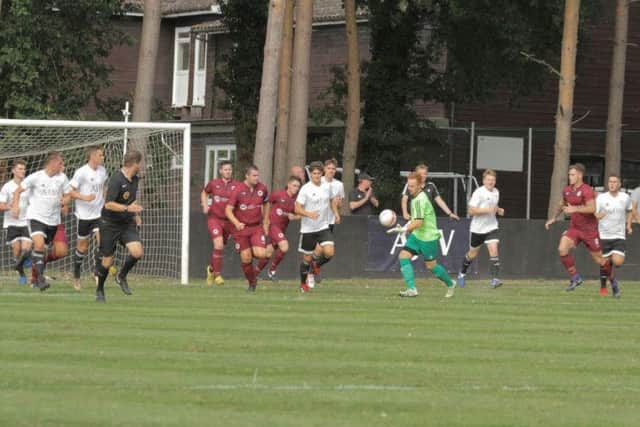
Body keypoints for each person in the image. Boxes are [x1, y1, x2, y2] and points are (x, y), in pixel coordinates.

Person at [545, 163, 613, 292]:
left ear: (580, 175)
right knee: (562, 249)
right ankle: (576, 277)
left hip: (589, 230)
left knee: (600, 260)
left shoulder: (587, 190)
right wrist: (554, 217)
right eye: (569, 174)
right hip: (574, 228)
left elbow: (592, 208)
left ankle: (610, 278)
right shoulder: (567, 190)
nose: (570, 177)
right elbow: (562, 204)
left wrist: (574, 209)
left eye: (572, 175)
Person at [388, 172, 456, 298]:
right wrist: (405, 228)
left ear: (420, 185)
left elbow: (419, 222)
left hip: (428, 237)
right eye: (408, 186)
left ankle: (450, 283)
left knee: (431, 266)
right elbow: (416, 220)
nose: (410, 188)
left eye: (412, 186)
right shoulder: (416, 198)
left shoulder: (420, 199)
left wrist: (404, 230)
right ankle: (411, 289)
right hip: (417, 235)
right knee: (403, 256)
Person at [12, 152, 71, 291]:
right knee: (39, 246)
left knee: (42, 250)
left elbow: (68, 194)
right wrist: (15, 206)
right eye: (60, 163)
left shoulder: (62, 178)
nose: (62, 166)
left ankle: (21, 263)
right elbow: (17, 191)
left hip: (53, 220)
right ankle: (40, 279)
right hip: (36, 217)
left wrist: (66, 201)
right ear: (52, 163)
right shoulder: (36, 177)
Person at [94, 150, 144, 303]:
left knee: (137, 252)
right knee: (107, 261)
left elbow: (131, 202)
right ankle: (100, 289)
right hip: (109, 224)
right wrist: (128, 209)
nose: (141, 166)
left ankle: (121, 276)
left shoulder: (135, 179)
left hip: (126, 223)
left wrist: (135, 215)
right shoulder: (116, 179)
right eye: (140, 163)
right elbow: (108, 204)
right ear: (134, 163)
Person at [295, 161, 340, 292]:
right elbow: (297, 208)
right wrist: (308, 213)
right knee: (306, 259)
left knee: (329, 252)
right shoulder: (306, 189)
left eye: (318, 173)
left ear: (322, 174)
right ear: (311, 174)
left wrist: (336, 213)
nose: (316, 176)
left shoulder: (327, 186)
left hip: (323, 226)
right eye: (314, 173)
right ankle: (303, 284)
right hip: (308, 229)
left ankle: (315, 266)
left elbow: (331, 200)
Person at [456, 169, 504, 289]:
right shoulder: (478, 192)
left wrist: (498, 210)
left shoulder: (496, 192)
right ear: (484, 181)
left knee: (494, 250)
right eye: (488, 180)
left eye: (493, 180)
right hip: (477, 229)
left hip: (492, 227)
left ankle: (494, 279)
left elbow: (493, 206)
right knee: (472, 254)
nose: (491, 182)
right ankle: (461, 274)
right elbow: (471, 211)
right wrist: (487, 210)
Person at [68, 146, 108, 291]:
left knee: (103, 243)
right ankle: (77, 276)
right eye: (100, 155)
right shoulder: (81, 172)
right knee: (82, 248)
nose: (102, 157)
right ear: (92, 156)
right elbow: (70, 191)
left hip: (99, 213)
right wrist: (84, 197)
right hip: (84, 216)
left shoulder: (103, 171)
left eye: (102, 155)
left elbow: (103, 188)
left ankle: (97, 273)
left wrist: (106, 202)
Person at [225, 165, 269, 292]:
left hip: (256, 227)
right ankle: (252, 282)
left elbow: (266, 203)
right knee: (246, 257)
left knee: (262, 254)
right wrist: (236, 222)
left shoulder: (262, 188)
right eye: (254, 175)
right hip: (241, 229)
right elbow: (228, 210)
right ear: (247, 176)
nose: (257, 178)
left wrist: (266, 220)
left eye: (257, 175)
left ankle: (253, 274)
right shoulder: (238, 189)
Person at [255, 176, 302, 281]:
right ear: (288, 185)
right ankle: (271, 270)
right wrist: (265, 219)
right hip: (273, 226)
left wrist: (294, 216)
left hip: (282, 229)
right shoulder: (278, 194)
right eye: (294, 185)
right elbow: (265, 203)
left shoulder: (296, 200)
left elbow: (302, 214)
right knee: (284, 246)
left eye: (298, 186)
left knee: (268, 253)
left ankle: (254, 273)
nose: (296, 188)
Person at [201, 160, 238, 286]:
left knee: (220, 247)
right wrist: (205, 205)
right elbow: (204, 192)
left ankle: (210, 269)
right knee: (218, 244)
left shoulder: (237, 186)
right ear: (220, 171)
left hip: (228, 221)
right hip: (214, 218)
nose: (228, 171)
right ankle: (217, 275)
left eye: (230, 169)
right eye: (226, 169)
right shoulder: (214, 183)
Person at [595, 174, 632, 298]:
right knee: (605, 263)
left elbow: (630, 210)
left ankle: (608, 278)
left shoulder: (625, 197)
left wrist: (629, 225)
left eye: (615, 182)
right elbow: (595, 214)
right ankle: (610, 286)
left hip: (619, 236)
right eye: (610, 182)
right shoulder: (601, 198)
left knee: (617, 262)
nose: (612, 184)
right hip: (604, 235)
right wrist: (598, 216)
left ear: (619, 184)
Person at [0, 159, 32, 284]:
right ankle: (21, 274)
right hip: (11, 222)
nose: (22, 171)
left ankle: (28, 257)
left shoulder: (28, 185)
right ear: (13, 170)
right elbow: (1, 205)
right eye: (19, 169)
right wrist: (11, 207)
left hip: (26, 221)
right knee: (17, 250)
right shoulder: (7, 187)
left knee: (25, 249)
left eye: (24, 169)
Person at [321, 159, 345, 232]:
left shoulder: (339, 184)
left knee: (327, 242)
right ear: (324, 169)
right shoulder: (318, 181)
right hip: (317, 219)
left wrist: (338, 203)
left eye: (333, 169)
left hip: (330, 220)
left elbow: (340, 204)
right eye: (329, 168)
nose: (331, 171)